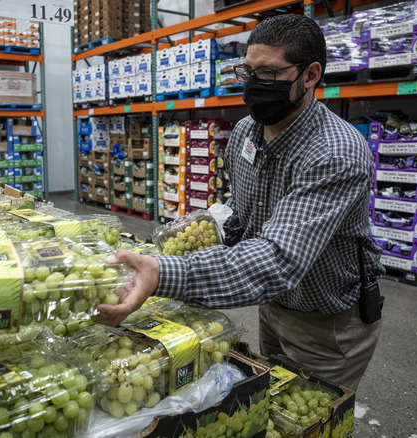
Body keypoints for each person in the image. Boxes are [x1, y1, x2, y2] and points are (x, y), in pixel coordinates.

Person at [95, 14, 384, 391]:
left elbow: (278, 258)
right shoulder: (247, 131)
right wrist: (200, 234)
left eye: (268, 73)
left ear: (310, 76)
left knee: (314, 418)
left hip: (326, 324)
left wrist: (164, 274)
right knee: (269, 400)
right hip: (272, 305)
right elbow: (242, 215)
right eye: (247, 71)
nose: (253, 86)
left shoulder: (334, 153)